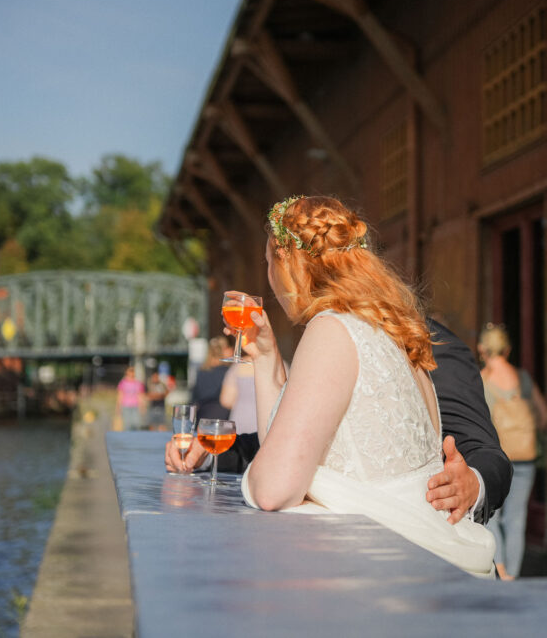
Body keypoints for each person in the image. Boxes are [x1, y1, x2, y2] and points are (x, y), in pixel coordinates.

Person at [171, 195, 500, 576]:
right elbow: (283, 446)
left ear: (288, 262)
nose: (269, 277)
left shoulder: (331, 328)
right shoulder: (392, 330)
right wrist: (266, 359)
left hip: (384, 564)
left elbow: (271, 490)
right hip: (425, 550)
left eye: (268, 262)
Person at [167, 317, 512, 524]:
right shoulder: (333, 335)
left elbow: (487, 453)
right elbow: (300, 442)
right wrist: (213, 451)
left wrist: (473, 485)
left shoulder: (433, 342)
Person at [478, 323, 547, 580]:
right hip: (526, 458)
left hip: (498, 459)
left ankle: (500, 572)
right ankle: (514, 576)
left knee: (491, 517)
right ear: (507, 350)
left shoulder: (482, 381)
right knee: (517, 519)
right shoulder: (523, 378)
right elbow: (544, 417)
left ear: (481, 349)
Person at [190, 337, 233, 422]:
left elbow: (194, 398)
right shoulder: (228, 372)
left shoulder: (201, 372)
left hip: (202, 417)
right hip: (222, 417)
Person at [220, 362, 257, 434]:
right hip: (266, 422)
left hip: (240, 419)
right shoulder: (281, 365)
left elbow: (226, 400)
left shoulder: (237, 366)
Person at [115, 365, 145, 431]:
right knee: (127, 424)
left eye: (132, 371)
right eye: (130, 371)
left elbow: (140, 395)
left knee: (136, 423)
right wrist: (118, 407)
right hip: (125, 405)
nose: (131, 373)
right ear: (127, 373)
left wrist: (142, 406)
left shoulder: (138, 383)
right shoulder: (123, 383)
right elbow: (120, 395)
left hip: (135, 405)